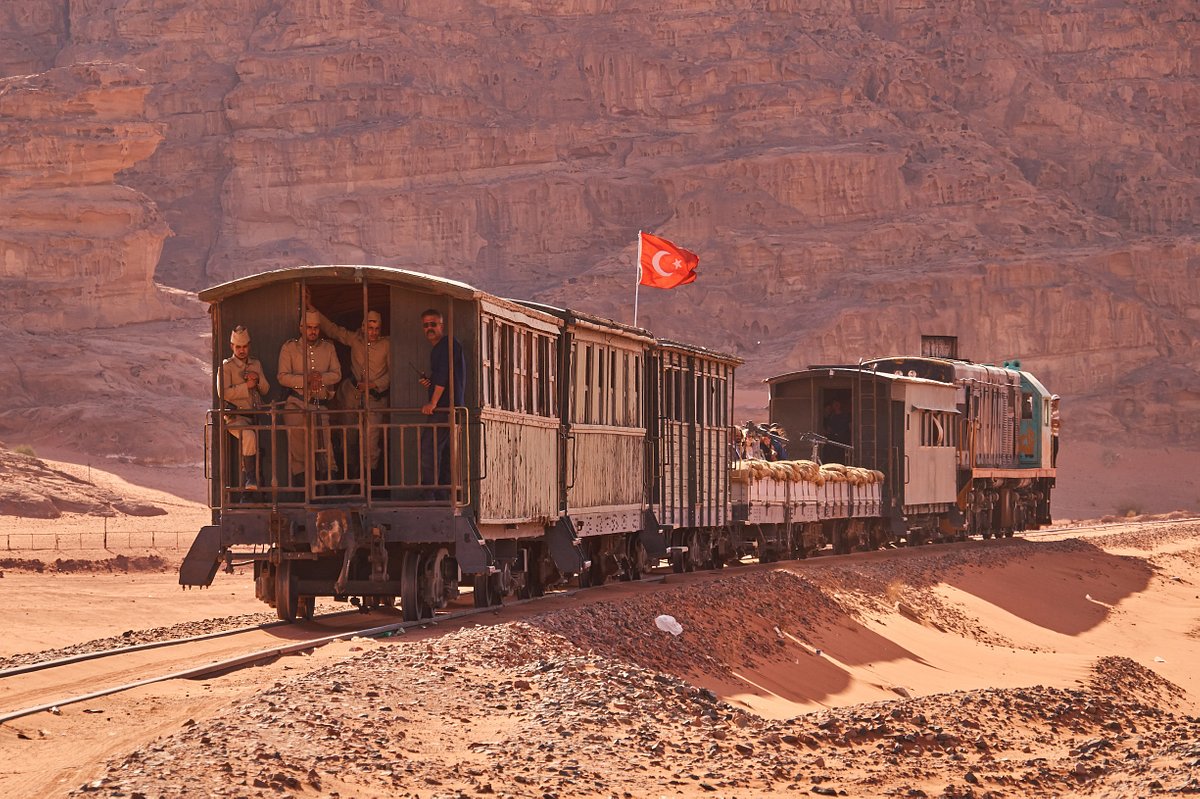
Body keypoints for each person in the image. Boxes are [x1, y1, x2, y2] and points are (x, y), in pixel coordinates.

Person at [313, 305, 390, 473]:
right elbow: (332, 330)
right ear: (363, 327)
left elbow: (393, 374)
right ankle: (351, 478)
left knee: (370, 442)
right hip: (352, 395)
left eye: (377, 329)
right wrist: (310, 306)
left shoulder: (387, 345)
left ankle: (371, 484)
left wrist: (374, 385)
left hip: (375, 399)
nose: (374, 332)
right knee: (349, 437)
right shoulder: (355, 339)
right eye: (370, 328)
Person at [277, 309, 342, 484]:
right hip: (295, 405)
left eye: (316, 328)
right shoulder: (289, 348)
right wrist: (306, 379)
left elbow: (337, 374)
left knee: (325, 448)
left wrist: (320, 378)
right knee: (299, 453)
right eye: (309, 327)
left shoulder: (328, 348)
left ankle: (329, 491)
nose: (312, 331)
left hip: (319, 405)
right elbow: (282, 377)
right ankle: (303, 494)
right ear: (301, 327)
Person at [418, 308, 465, 500]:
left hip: (445, 408)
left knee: (429, 447)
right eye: (426, 325)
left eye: (433, 324)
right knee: (444, 451)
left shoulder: (447, 345)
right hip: (447, 408)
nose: (429, 328)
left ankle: (430, 493)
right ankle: (444, 493)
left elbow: (444, 377)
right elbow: (441, 377)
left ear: (441, 326)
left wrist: (432, 402)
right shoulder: (440, 348)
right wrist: (429, 383)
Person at [218, 326, 270, 490]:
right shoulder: (226, 367)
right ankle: (250, 479)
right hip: (236, 417)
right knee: (248, 437)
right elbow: (223, 393)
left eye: (245, 346)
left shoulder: (256, 364)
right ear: (232, 347)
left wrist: (258, 379)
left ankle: (253, 488)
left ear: (249, 345)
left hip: (255, 416)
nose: (242, 350)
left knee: (258, 448)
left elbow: (265, 389)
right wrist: (245, 386)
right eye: (238, 347)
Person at [1050, 394, 1061, 468]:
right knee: (1052, 449)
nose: (1057, 402)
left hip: (1056, 433)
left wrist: (1058, 423)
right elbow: (1049, 420)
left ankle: (1053, 463)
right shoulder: (1050, 409)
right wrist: (1056, 422)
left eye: (1058, 401)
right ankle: (1051, 463)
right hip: (1051, 433)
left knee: (1056, 449)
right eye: (1056, 401)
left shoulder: (1056, 410)